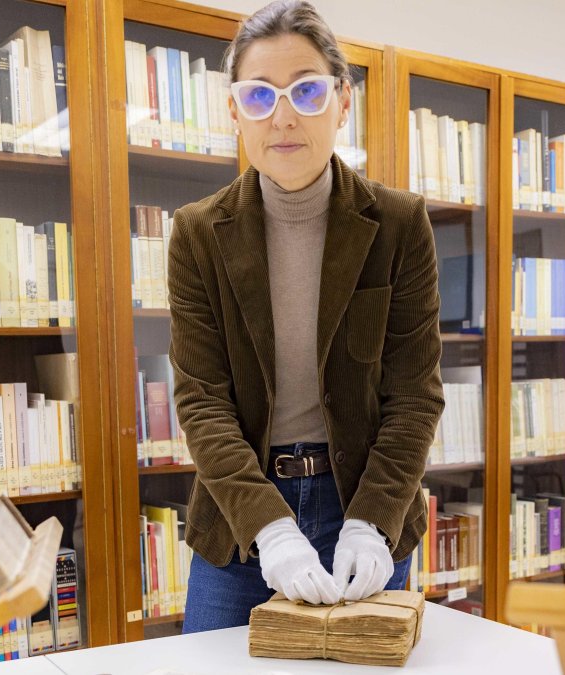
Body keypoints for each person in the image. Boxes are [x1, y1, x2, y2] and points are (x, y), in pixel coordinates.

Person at [169, 0, 445, 633]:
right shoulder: (198, 233)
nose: (285, 116)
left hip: (366, 505)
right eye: (260, 96)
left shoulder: (400, 225)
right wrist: (272, 530)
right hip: (242, 515)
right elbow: (203, 401)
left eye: (307, 91)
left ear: (343, 100)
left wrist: (372, 522)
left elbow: (414, 396)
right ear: (234, 110)